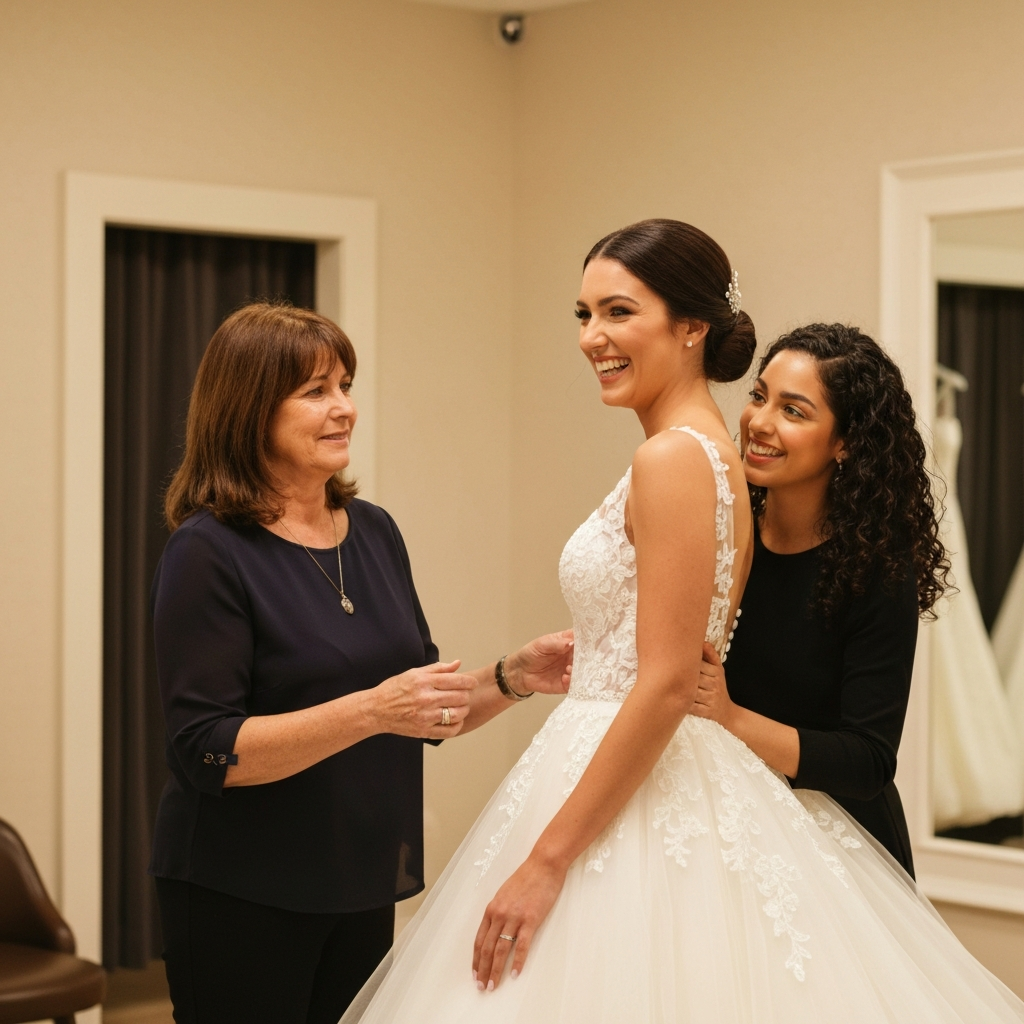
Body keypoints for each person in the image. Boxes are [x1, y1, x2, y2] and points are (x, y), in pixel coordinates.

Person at [342, 220, 1024, 1023]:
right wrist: (531, 672)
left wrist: (547, 860)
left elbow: (676, 687)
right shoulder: (728, 475)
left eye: (619, 312)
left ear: (692, 327)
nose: (593, 336)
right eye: (584, 314)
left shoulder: (681, 463)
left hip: (738, 780)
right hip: (681, 766)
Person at [149, 302, 573, 1024]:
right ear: (250, 409)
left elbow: (422, 708)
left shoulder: (373, 531)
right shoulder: (208, 551)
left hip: (361, 876)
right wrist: (372, 710)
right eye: (316, 391)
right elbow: (208, 752)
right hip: (243, 889)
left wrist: (513, 676)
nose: (344, 408)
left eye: (346, 385)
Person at [691, 324, 951, 877]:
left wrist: (730, 717)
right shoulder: (723, 534)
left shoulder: (876, 570)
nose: (759, 422)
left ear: (846, 442)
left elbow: (868, 761)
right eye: (759, 396)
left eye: (794, 411)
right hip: (721, 825)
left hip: (837, 852)